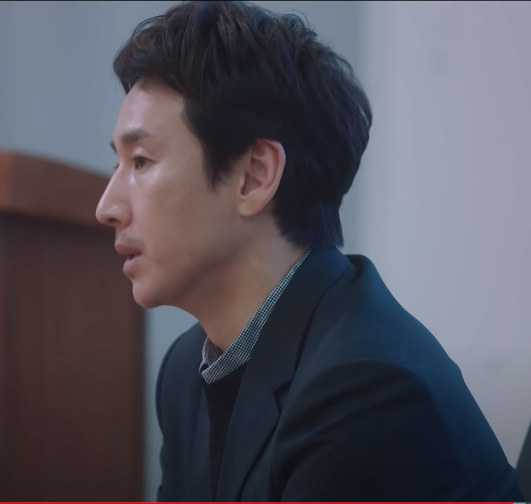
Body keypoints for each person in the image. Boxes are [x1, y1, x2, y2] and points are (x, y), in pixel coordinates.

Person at [95, 1, 524, 501]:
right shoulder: (185, 370)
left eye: (141, 161)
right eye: (118, 163)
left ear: (255, 176)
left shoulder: (364, 389)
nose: (106, 207)